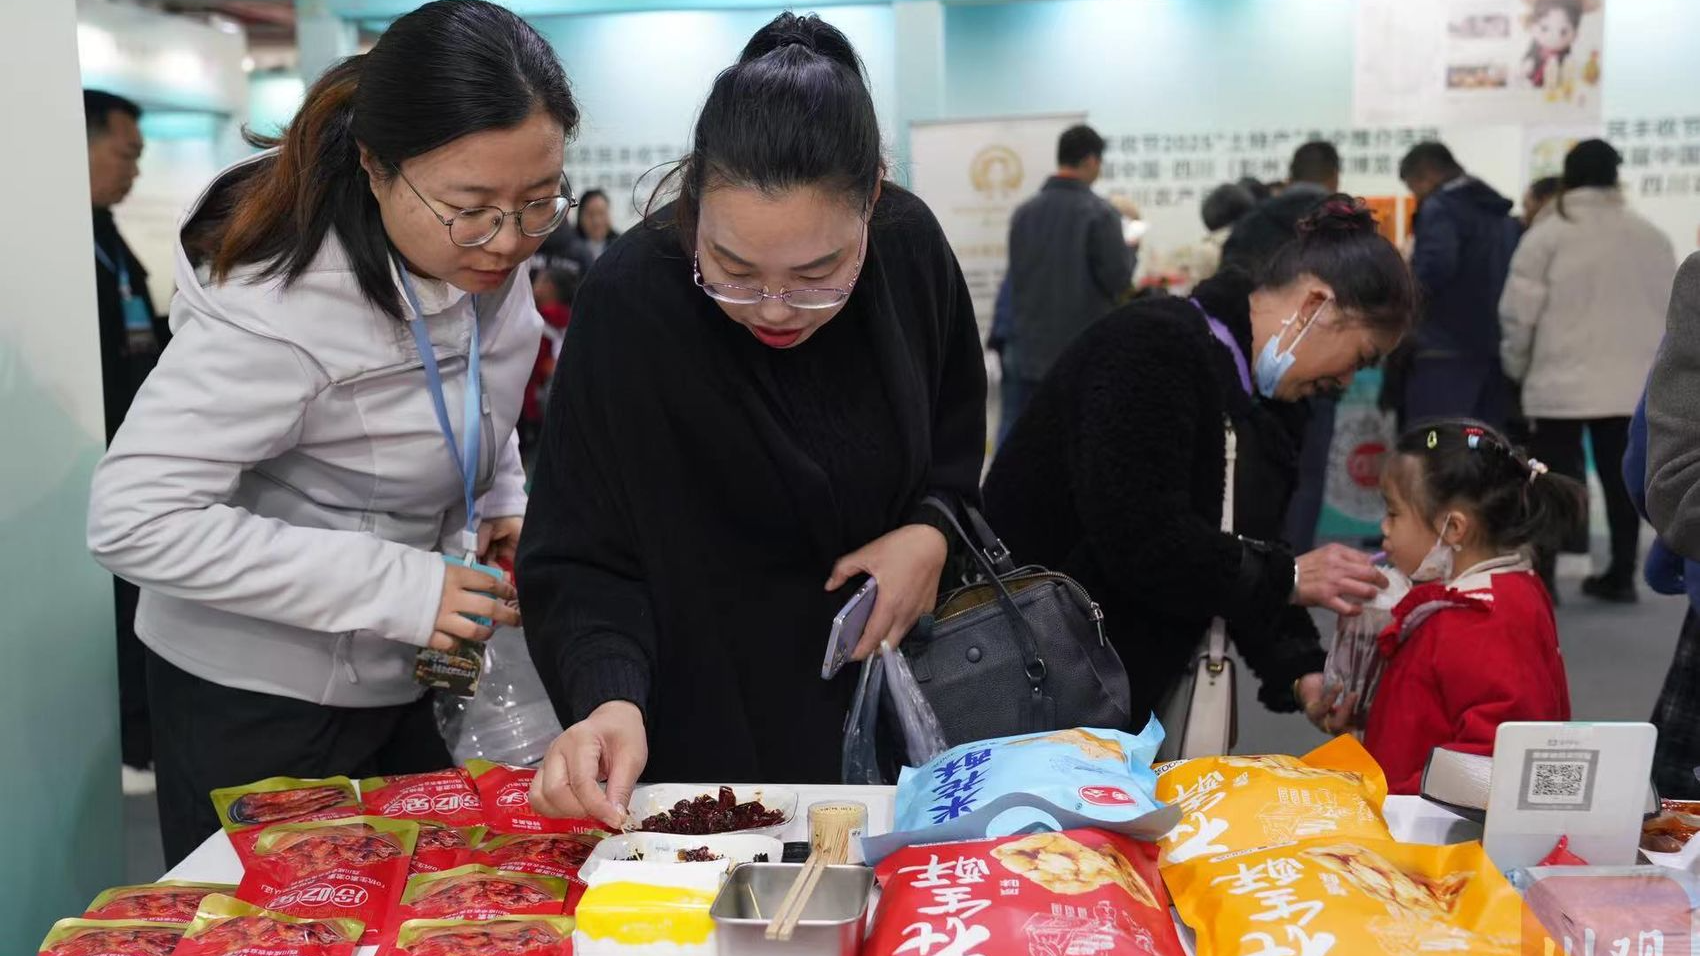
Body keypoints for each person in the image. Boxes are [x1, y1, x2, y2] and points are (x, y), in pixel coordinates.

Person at [86, 0, 576, 866]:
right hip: (258, 696)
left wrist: (498, 494)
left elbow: (471, 380)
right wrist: (400, 586)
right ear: (376, 167)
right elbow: (133, 518)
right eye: (473, 208)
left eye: (537, 203)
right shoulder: (283, 302)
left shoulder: (476, 237)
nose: (506, 241)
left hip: (405, 669)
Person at [519, 13, 985, 828]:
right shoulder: (633, 301)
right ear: (694, 198)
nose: (773, 310)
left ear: (872, 197)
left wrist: (932, 531)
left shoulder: (910, 252)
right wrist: (607, 700)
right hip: (698, 749)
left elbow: (954, 443)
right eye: (731, 269)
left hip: (897, 722)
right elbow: (580, 553)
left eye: (817, 274)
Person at [982, 197, 1415, 735]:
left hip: (1122, 688)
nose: (1348, 381)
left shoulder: (1271, 401)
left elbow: (1243, 549)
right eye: (1361, 356)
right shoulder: (1152, 347)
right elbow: (1142, 538)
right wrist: (1292, 576)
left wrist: (1301, 670)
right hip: (1041, 676)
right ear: (1314, 307)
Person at [1359, 420, 1581, 795]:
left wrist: (1391, 800)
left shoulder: (1477, 621)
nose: (1384, 527)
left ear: (1453, 528)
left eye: (1393, 513)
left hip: (1436, 837)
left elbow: (1489, 761)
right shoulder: (1506, 589)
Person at [1501, 139, 1676, 602]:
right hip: (1630, 385)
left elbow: (1519, 314)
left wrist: (1516, 368)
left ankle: (1546, 579)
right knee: (1624, 480)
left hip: (1558, 383)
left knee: (1551, 479)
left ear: (1568, 177)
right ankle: (1621, 575)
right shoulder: (1651, 236)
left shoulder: (1546, 234)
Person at [85, 88, 173, 793]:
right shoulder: (63, 243)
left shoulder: (105, 234)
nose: (134, 171)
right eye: (126, 154)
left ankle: (139, 737)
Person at [1221, 141, 1342, 554]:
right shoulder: (1345, 228)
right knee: (1307, 477)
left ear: (1290, 175)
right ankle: (1297, 568)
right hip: (1321, 368)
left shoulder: (1252, 221)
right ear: (1334, 177)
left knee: (1251, 467)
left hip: (1255, 365)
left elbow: (1228, 290)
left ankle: (1255, 565)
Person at [1000, 124, 1135, 442]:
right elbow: (1118, 280)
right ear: (1091, 161)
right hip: (1084, 351)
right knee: (1079, 442)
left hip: (1029, 351)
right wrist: (1131, 251)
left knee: (1033, 441)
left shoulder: (1024, 213)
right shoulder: (1102, 215)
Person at [1398, 142, 1521, 428]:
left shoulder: (1440, 208)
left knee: (1434, 448)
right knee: (1484, 451)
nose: (1416, 196)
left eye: (1413, 187)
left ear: (1426, 175)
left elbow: (1434, 269)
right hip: (1492, 351)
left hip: (1442, 349)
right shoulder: (1498, 212)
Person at [1219, 141, 1338, 273]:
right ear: (1335, 177)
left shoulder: (1252, 222)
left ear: (1290, 178)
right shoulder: (1349, 226)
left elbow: (1228, 281)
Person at [571, 188, 620, 271]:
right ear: (580, 216)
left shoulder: (620, 245)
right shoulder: (570, 247)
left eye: (601, 213)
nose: (596, 221)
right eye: (590, 214)